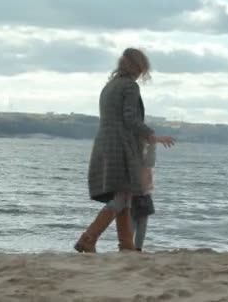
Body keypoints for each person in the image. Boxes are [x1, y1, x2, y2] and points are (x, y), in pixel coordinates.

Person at [74, 47, 174, 253]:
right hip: (122, 147)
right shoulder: (130, 87)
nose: (142, 73)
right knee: (122, 196)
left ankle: (126, 245)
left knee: (124, 195)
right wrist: (152, 136)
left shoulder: (109, 86)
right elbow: (131, 119)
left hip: (105, 145)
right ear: (137, 67)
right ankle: (88, 238)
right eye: (142, 68)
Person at [131, 140, 158, 251]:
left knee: (136, 222)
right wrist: (152, 145)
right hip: (140, 193)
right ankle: (136, 248)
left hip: (140, 193)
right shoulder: (142, 158)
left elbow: (150, 162)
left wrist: (152, 146)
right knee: (139, 223)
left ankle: (134, 248)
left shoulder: (132, 155)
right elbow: (150, 162)